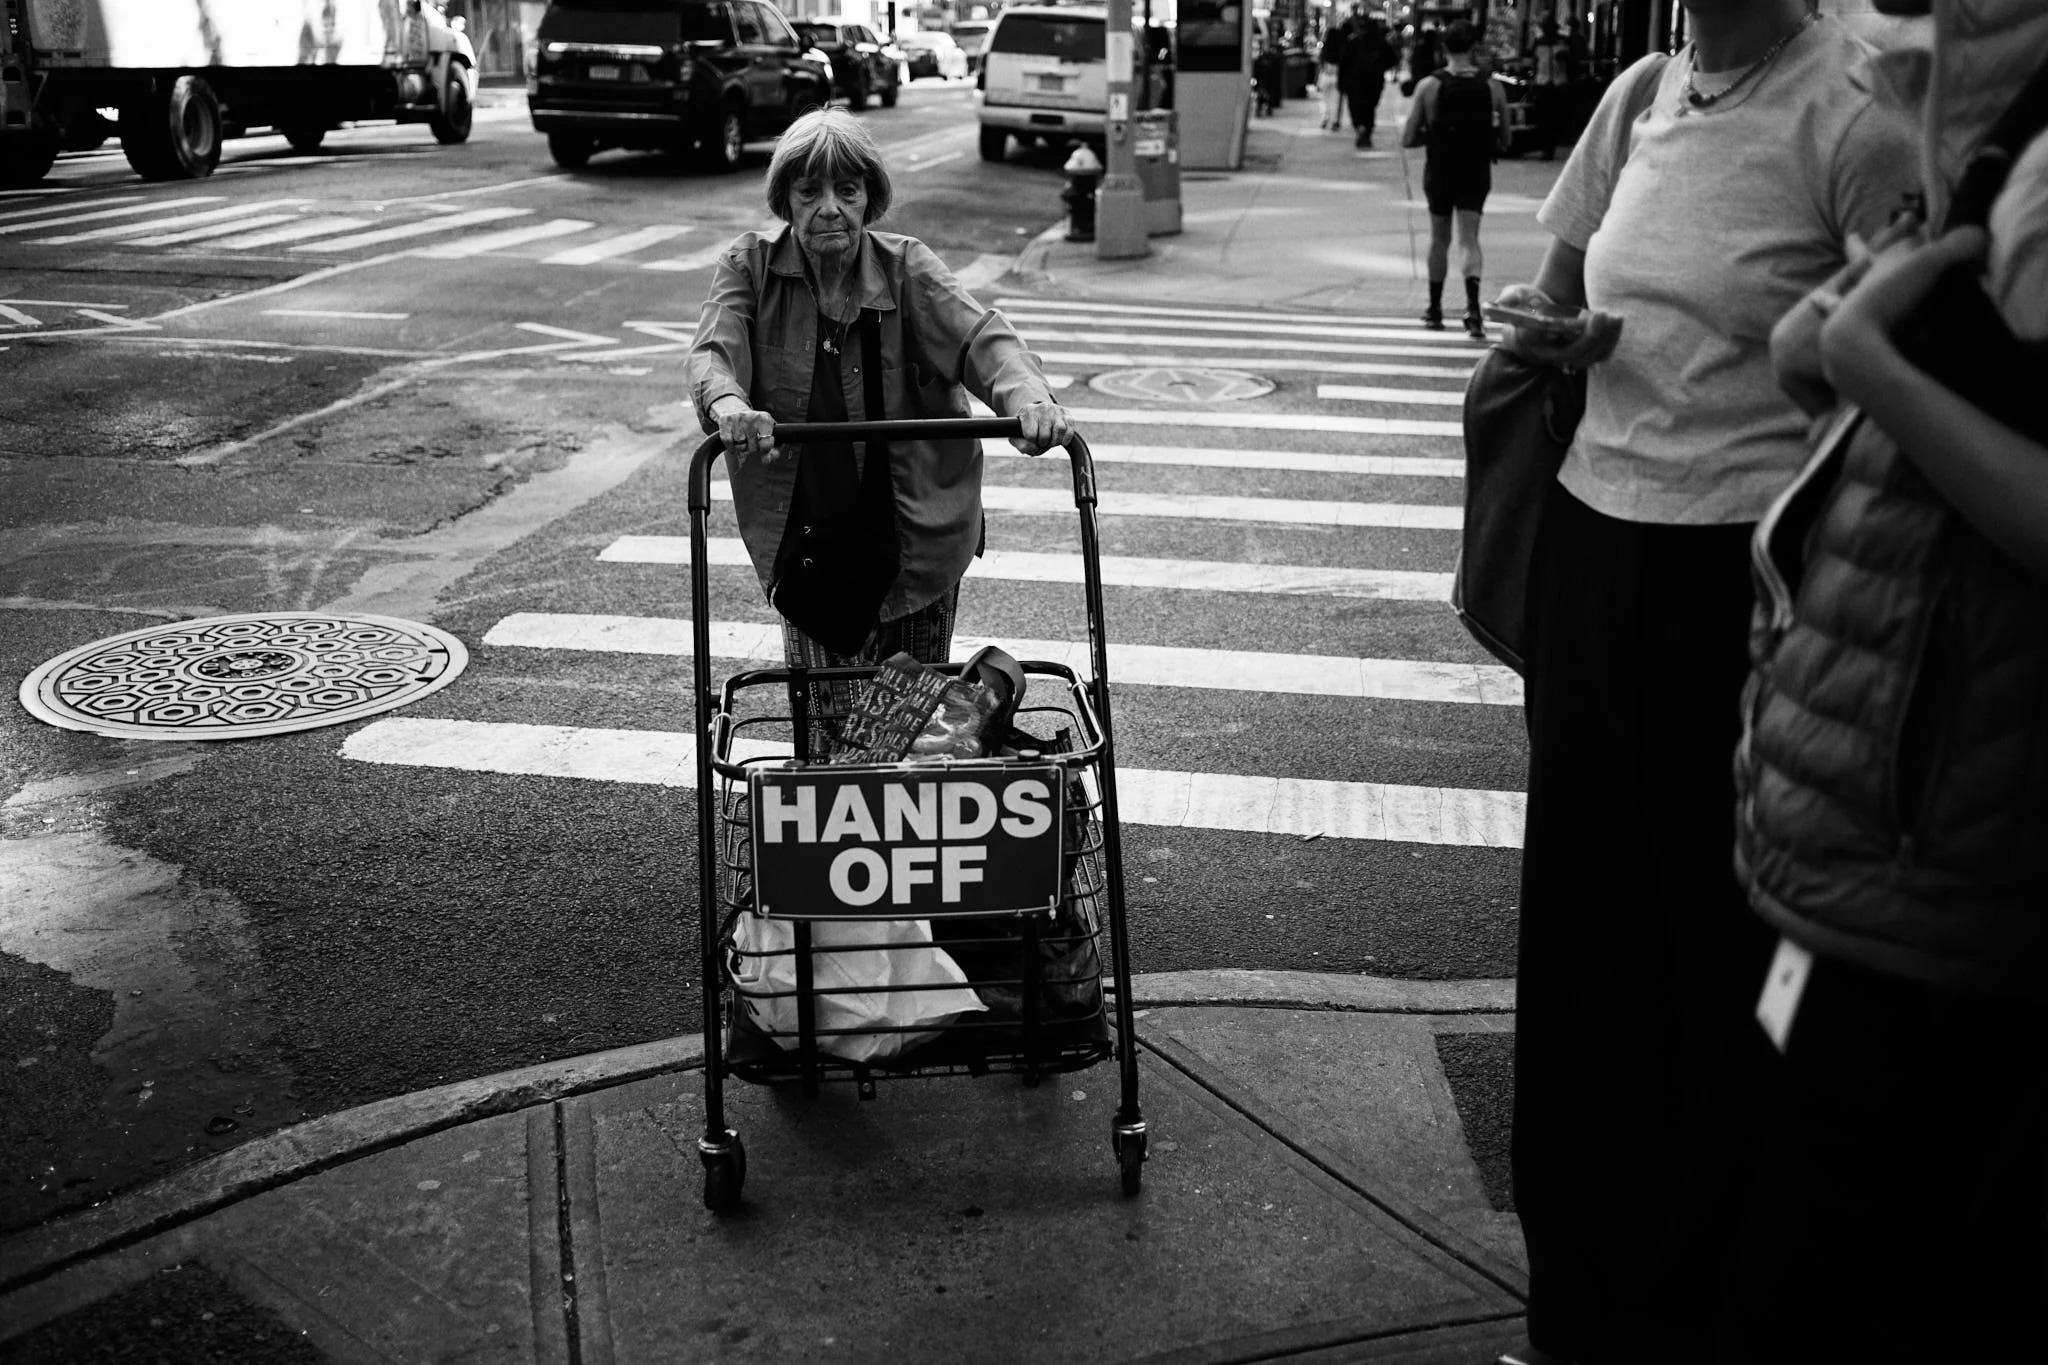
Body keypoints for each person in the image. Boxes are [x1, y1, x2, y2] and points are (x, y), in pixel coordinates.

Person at [1480, 0, 1921, 1361]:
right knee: (1578, 947)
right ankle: (1579, 1303)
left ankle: (1691, 1302)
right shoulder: (1639, 96)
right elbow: (1552, 298)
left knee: (1707, 954)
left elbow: (1897, 372)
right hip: (1593, 551)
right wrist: (1545, 336)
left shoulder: (1850, 106)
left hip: (1743, 582)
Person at [1724, 1, 2048, 1360]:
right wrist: (1847, 345)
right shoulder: (1986, 170)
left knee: (1846, 1261)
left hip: (1933, 845)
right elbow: (1821, 365)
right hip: (1869, 822)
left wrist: (1869, 363)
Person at [687, 109, 1073, 753]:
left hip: (917, 536)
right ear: (786, 199)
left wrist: (1030, 399)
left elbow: (984, 340)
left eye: (847, 190)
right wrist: (728, 404)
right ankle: (829, 846)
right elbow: (713, 352)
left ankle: (896, 845)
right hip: (809, 543)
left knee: (912, 733)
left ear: (870, 197)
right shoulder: (749, 265)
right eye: (809, 192)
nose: (829, 208)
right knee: (832, 740)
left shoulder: (907, 268)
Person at [1400, 20, 1508, 337]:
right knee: (1469, 239)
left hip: (1440, 171)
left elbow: (1408, 138)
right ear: (1474, 49)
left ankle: (1434, 309)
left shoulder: (1429, 86)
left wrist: (1434, 136)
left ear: (1443, 49)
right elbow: (1505, 139)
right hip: (1475, 170)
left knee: (1439, 238)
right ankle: (1473, 311)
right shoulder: (1493, 86)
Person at [1338, 12, 1394, 147]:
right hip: (1374, 82)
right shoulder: (1381, 44)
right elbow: (1392, 60)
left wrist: (1341, 82)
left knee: (1356, 107)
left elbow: (1343, 64)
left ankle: (1360, 127)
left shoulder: (1353, 42)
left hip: (1354, 83)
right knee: (1369, 108)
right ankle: (1366, 129)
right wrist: (1380, 68)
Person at [1526, 18, 1570, 160]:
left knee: (1551, 118)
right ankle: (1547, 147)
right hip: (1546, 83)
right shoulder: (1542, 42)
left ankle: (1549, 148)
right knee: (1546, 118)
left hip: (1554, 83)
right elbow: (1535, 62)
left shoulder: (1560, 42)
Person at [1317, 17, 1350, 132]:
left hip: (1325, 75)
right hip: (1337, 76)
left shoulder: (1325, 49)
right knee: (1337, 101)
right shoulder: (1342, 48)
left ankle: (1325, 117)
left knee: (1324, 99)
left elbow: (1320, 63)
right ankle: (1335, 121)